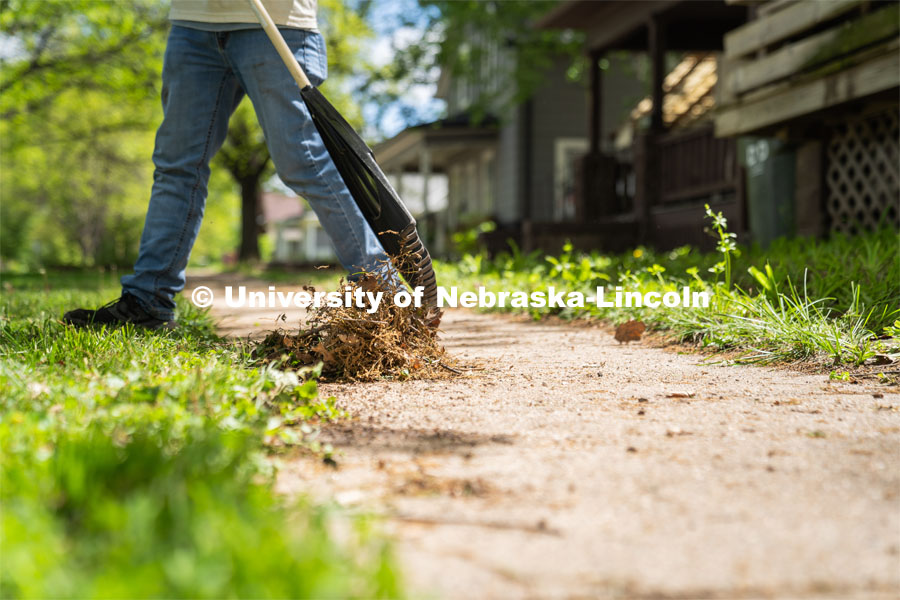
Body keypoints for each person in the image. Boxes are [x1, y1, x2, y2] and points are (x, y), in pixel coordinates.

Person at [64, 0, 390, 330]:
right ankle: (148, 301)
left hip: (276, 22)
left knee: (303, 162)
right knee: (176, 167)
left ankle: (383, 294)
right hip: (193, 24)